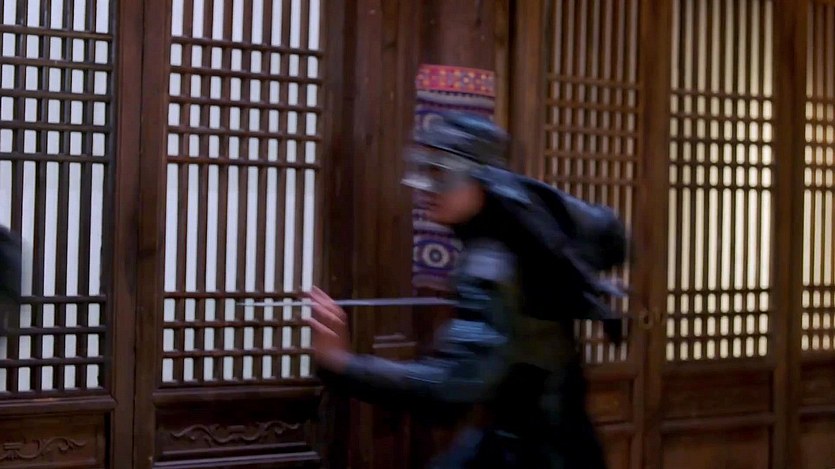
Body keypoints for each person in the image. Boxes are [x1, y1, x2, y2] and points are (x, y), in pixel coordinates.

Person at [306, 112, 625, 468]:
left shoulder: (492, 262)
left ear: (481, 181)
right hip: (541, 442)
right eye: (425, 171)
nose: (427, 188)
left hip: (539, 454)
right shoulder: (514, 232)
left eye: (441, 174)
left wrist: (343, 364)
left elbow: (451, 388)